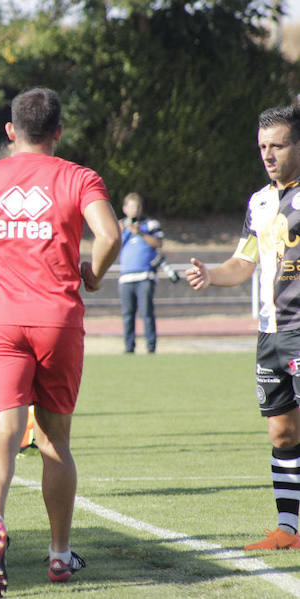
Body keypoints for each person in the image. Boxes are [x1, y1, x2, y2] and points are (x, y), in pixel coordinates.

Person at [0, 87, 121, 596]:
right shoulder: (78, 176)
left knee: (3, 432)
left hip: (0, 323)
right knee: (54, 442)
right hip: (57, 320)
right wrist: (96, 274)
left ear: (10, 131)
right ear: (59, 131)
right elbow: (109, 236)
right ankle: (60, 555)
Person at [186, 104, 300, 551]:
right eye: (262, 147)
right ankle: (289, 530)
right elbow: (243, 261)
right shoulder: (259, 202)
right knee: (281, 432)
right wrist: (212, 274)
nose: (268, 155)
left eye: (278, 146)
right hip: (270, 334)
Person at [118, 192, 165, 354]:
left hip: (145, 276)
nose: (134, 210)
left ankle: (151, 347)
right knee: (127, 315)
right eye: (131, 207)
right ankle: (129, 347)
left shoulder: (150, 224)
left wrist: (140, 233)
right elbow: (110, 245)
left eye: (137, 207)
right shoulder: (120, 226)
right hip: (126, 277)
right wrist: (121, 231)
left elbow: (158, 243)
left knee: (146, 313)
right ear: (125, 209)